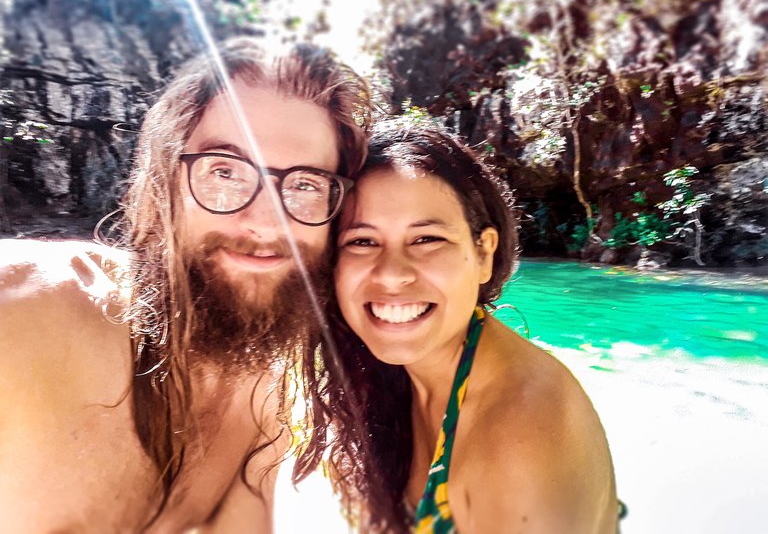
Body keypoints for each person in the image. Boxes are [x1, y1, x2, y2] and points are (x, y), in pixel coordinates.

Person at [0, 37, 370, 532]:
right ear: (164, 180)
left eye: (304, 184)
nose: (264, 223)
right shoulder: (21, 319)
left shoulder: (269, 384)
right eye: (225, 172)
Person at [324, 124, 618, 533]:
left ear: (483, 253)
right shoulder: (385, 374)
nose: (391, 275)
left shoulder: (520, 437)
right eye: (362, 241)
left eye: (427, 239)